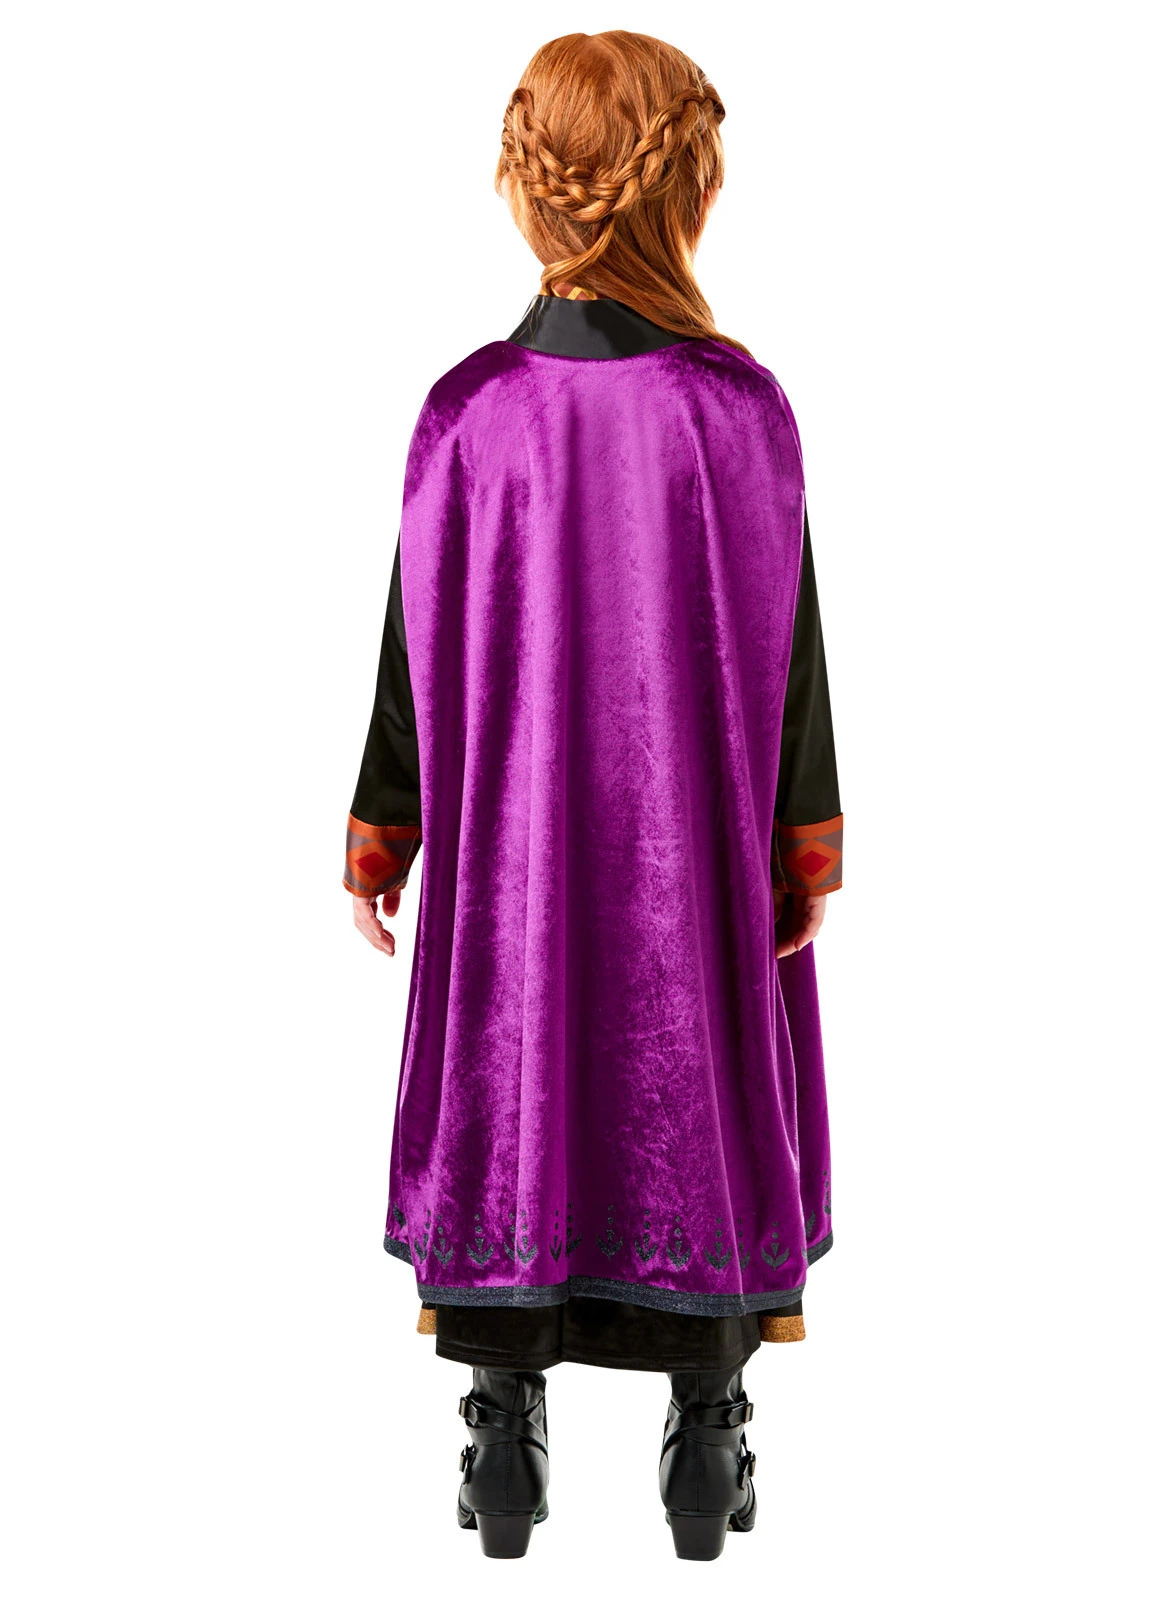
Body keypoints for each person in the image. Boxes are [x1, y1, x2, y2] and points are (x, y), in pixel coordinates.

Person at [343, 30, 842, 1561]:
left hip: (516, 858)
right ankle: (710, 1431)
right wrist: (803, 845)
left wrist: (383, 827)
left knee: (516, 1071)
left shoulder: (467, 414)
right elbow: (793, 656)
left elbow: (415, 649)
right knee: (702, 1075)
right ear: (685, 192)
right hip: (698, 855)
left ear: (529, 190)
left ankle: (500, 1432)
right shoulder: (737, 411)